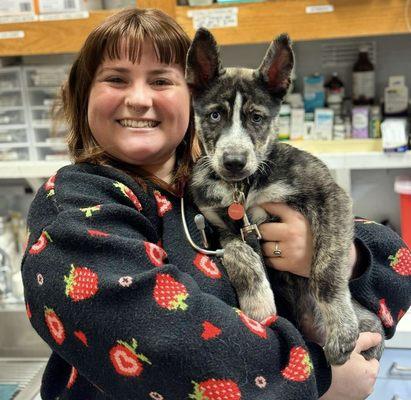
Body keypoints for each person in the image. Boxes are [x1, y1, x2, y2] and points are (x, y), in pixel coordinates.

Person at [21, 8, 410, 400]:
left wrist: (336, 257)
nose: (139, 99)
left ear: (188, 92)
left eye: (160, 80)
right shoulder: (74, 203)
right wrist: (318, 379)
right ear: (83, 92)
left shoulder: (219, 178)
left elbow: (397, 266)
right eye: (116, 79)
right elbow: (165, 346)